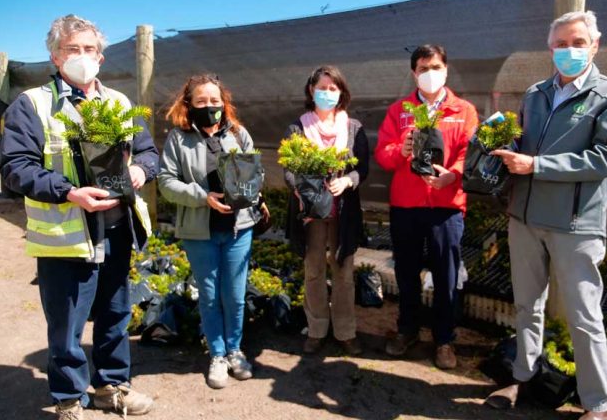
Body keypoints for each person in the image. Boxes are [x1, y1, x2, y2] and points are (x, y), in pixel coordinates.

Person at [0, 15, 157, 419]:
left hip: (118, 229)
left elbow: (147, 151)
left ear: (101, 58)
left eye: (89, 49)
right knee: (66, 322)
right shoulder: (32, 104)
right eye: (72, 49)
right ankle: (69, 397)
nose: (82, 57)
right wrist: (69, 192)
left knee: (115, 315)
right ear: (55, 56)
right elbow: (16, 166)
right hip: (67, 234)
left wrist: (140, 169)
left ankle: (111, 386)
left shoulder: (120, 103)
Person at [485, 11, 607, 420]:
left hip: (575, 226)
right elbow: (524, 143)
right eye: (560, 44)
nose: (569, 51)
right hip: (525, 218)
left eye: (578, 43)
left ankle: (600, 406)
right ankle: (522, 378)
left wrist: (535, 166)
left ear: (595, 45)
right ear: (549, 48)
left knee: (584, 317)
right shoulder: (535, 94)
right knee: (526, 306)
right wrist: (499, 143)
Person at [158, 74, 267, 389]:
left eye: (215, 101)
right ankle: (217, 355)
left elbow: (255, 173)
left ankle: (234, 350)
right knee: (209, 295)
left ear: (224, 103)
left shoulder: (238, 133)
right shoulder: (179, 139)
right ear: (189, 103)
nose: (209, 106)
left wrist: (250, 189)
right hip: (199, 230)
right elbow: (166, 181)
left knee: (233, 296)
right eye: (202, 101)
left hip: (238, 228)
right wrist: (201, 197)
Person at [375, 44, 478, 369]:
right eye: (422, 68)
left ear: (445, 70)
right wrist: (401, 150)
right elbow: (383, 155)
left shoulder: (464, 110)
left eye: (434, 67)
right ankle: (407, 330)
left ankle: (444, 340)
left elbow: (469, 152)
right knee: (406, 273)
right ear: (413, 73)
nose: (429, 74)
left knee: (446, 276)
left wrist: (454, 176)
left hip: (446, 207)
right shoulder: (399, 111)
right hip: (406, 205)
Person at [284, 65, 369, 355]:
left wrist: (347, 180)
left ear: (341, 92)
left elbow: (362, 169)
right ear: (311, 90)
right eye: (322, 88)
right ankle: (317, 328)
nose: (327, 93)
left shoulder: (353, 128)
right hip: (311, 216)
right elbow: (289, 169)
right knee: (314, 271)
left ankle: (345, 331)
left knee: (344, 271)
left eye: (333, 89)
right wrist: (302, 191)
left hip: (343, 212)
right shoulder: (298, 127)